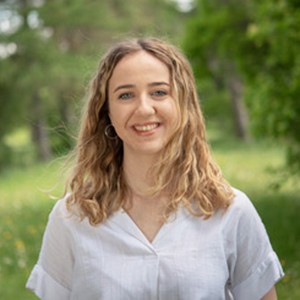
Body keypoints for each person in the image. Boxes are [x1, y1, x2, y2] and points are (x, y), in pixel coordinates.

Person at [26, 38, 284, 300]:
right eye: (125, 95)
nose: (144, 108)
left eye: (159, 92)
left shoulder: (231, 210)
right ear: (107, 112)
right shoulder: (72, 217)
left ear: (183, 104)